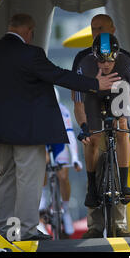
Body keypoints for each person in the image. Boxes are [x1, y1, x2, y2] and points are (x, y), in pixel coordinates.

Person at [0, 13, 120, 241]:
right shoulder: (31, 54)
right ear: (29, 31)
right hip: (28, 130)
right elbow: (57, 75)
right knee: (28, 180)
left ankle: (4, 230)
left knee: (6, 179)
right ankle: (27, 232)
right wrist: (95, 83)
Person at [71, 15, 130, 238]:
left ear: (112, 29)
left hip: (117, 98)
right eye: (93, 29)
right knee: (92, 139)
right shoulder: (83, 60)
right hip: (91, 101)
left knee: (122, 125)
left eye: (100, 28)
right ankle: (94, 213)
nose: (95, 32)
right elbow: (78, 102)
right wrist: (83, 126)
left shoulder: (126, 60)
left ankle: (121, 197)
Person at [39, 88, 83, 237]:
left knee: (63, 176)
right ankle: (43, 198)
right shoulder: (36, 108)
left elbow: (70, 134)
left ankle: (66, 210)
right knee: (42, 162)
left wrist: (75, 157)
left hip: (58, 143)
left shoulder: (63, 110)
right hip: (43, 142)